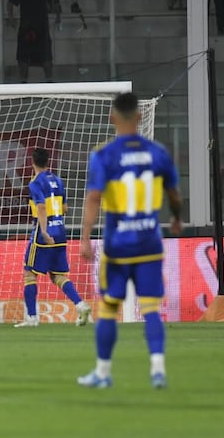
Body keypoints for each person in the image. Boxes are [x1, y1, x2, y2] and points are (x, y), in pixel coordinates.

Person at [77, 92, 183, 389]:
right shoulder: (158, 152)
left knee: (109, 308)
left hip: (118, 247)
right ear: (139, 117)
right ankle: (158, 370)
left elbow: (94, 197)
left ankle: (102, 372)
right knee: (150, 308)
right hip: (149, 243)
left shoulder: (104, 155)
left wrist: (85, 237)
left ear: (112, 117)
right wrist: (176, 218)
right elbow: (174, 193)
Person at [14, 148, 92, 328]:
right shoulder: (57, 180)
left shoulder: (34, 183)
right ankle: (80, 305)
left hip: (44, 232)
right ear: (48, 162)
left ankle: (32, 318)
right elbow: (65, 208)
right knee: (57, 275)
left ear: (32, 162)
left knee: (29, 273)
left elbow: (41, 207)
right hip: (60, 231)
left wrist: (43, 230)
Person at [8, 0, 59, 82]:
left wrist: (58, 15)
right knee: (23, 58)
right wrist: (11, 18)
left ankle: (50, 82)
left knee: (46, 58)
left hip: (42, 30)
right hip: (26, 30)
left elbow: (54, 2)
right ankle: (23, 82)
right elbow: (10, 2)